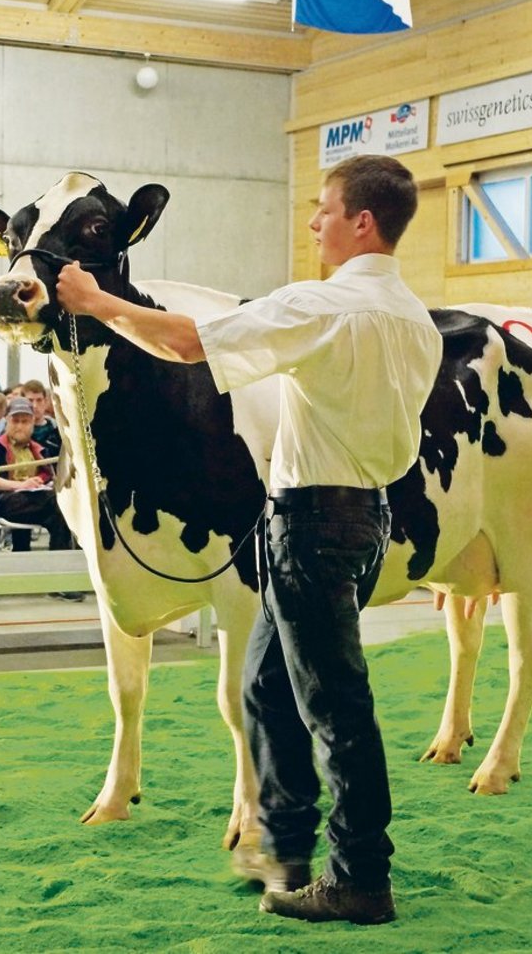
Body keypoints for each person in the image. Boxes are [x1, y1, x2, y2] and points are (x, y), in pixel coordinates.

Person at [56, 154, 440, 925]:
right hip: (365, 515)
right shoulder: (416, 321)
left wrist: (99, 302)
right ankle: (283, 844)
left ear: (362, 221)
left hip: (314, 521)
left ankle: (362, 875)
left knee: (336, 707)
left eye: (324, 210)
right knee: (266, 686)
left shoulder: (326, 306)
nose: (313, 222)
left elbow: (191, 342)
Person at [0, 397, 73, 553]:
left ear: (32, 423)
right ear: (6, 421)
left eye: (25, 422)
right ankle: (60, 555)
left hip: (33, 501)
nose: (19, 426)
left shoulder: (39, 449)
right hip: (0, 501)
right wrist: (21, 485)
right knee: (54, 501)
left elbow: (49, 476)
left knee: (61, 509)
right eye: (15, 421)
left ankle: (60, 555)